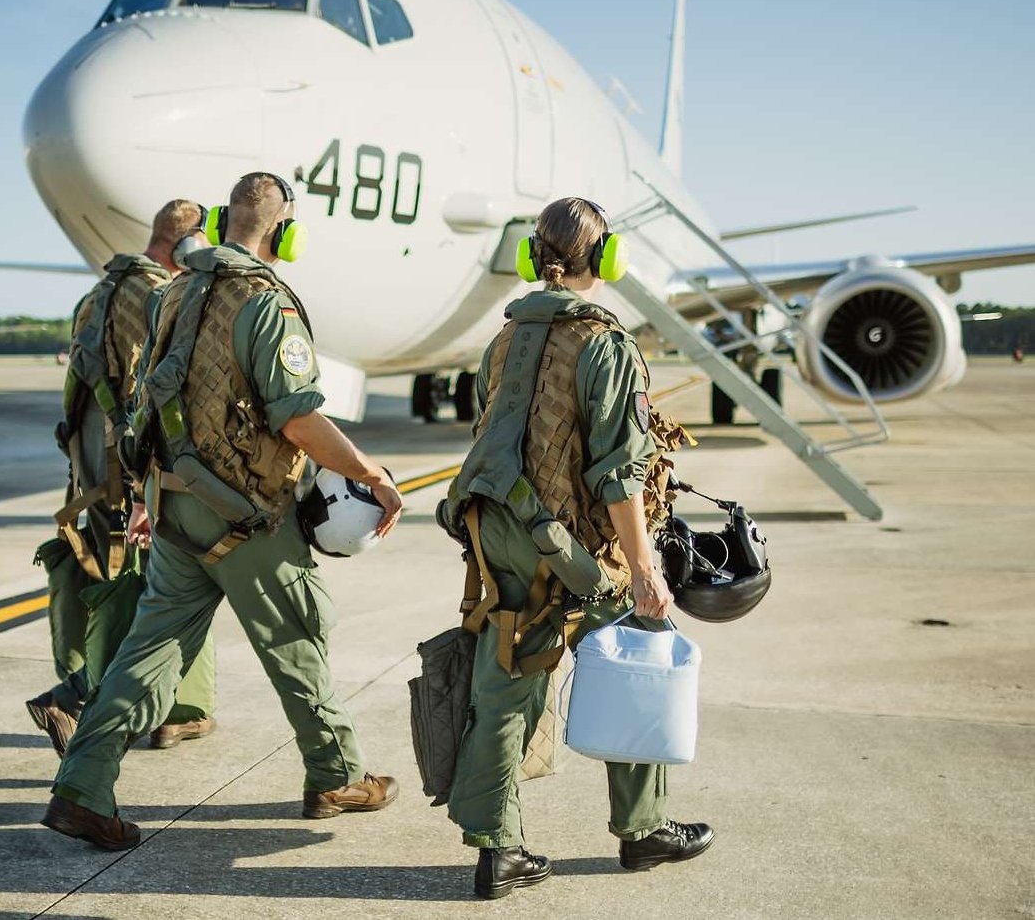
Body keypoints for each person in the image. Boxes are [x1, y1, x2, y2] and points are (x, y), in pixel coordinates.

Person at [42, 172, 403, 851]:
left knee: (147, 654)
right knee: (297, 639)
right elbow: (297, 417)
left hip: (176, 509)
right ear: (282, 230)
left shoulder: (174, 291)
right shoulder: (264, 304)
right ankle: (336, 774)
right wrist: (367, 472)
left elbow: (147, 396)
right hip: (249, 515)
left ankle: (80, 786)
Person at [437, 197, 712, 900]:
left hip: (499, 532)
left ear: (535, 257)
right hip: (574, 548)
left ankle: (497, 850)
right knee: (639, 644)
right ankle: (643, 827)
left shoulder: (502, 339)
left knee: (503, 681)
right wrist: (644, 570)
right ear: (607, 257)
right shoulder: (606, 344)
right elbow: (618, 474)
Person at [26, 200, 218, 756]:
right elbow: (155, 398)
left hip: (92, 473)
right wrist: (146, 487)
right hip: (136, 473)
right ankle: (94, 699)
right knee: (171, 585)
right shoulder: (163, 296)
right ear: (191, 246)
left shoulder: (96, 297)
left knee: (116, 584)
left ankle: (151, 709)